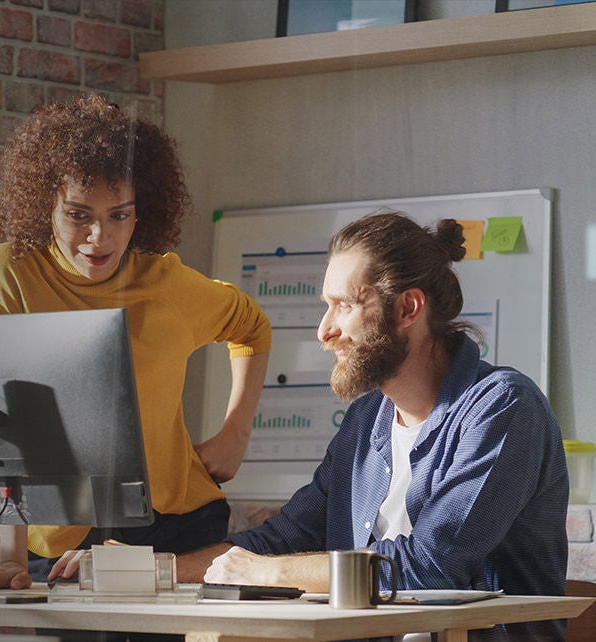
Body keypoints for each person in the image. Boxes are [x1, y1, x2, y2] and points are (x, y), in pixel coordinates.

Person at [181, 211, 568, 640]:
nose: (324, 331)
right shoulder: (366, 421)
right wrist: (157, 570)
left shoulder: (503, 408)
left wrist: (268, 573)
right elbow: (282, 539)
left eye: (344, 305)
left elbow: (430, 567)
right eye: (326, 306)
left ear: (407, 308)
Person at [0, 94, 272, 592]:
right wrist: (10, 555)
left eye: (119, 215)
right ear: (46, 204)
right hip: (58, 538)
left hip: (177, 527)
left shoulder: (167, 284)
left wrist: (234, 435)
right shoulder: (11, 274)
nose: (100, 237)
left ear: (140, 212)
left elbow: (252, 326)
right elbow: (1, 424)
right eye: (78, 214)